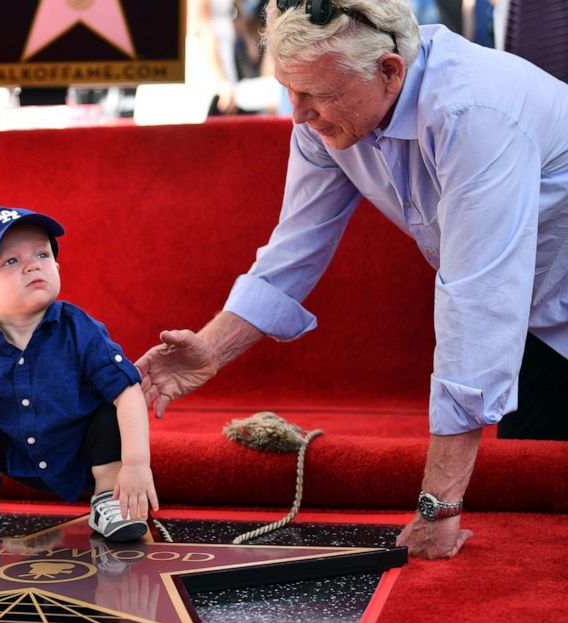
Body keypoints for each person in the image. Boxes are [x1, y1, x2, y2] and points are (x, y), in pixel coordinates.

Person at [136, 0, 568, 561]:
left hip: (522, 307)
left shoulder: (473, 111)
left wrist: (438, 505)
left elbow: (477, 301)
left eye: (316, 95)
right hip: (539, 320)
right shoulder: (330, 114)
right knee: (542, 527)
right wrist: (210, 351)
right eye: (289, 91)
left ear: (390, 71)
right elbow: (291, 253)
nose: (298, 115)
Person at [0, 206, 159, 545]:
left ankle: (110, 498)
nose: (34, 265)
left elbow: (129, 392)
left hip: (80, 452)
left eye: (42, 254)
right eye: (10, 261)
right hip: (14, 450)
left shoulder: (80, 328)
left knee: (112, 399)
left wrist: (136, 465)